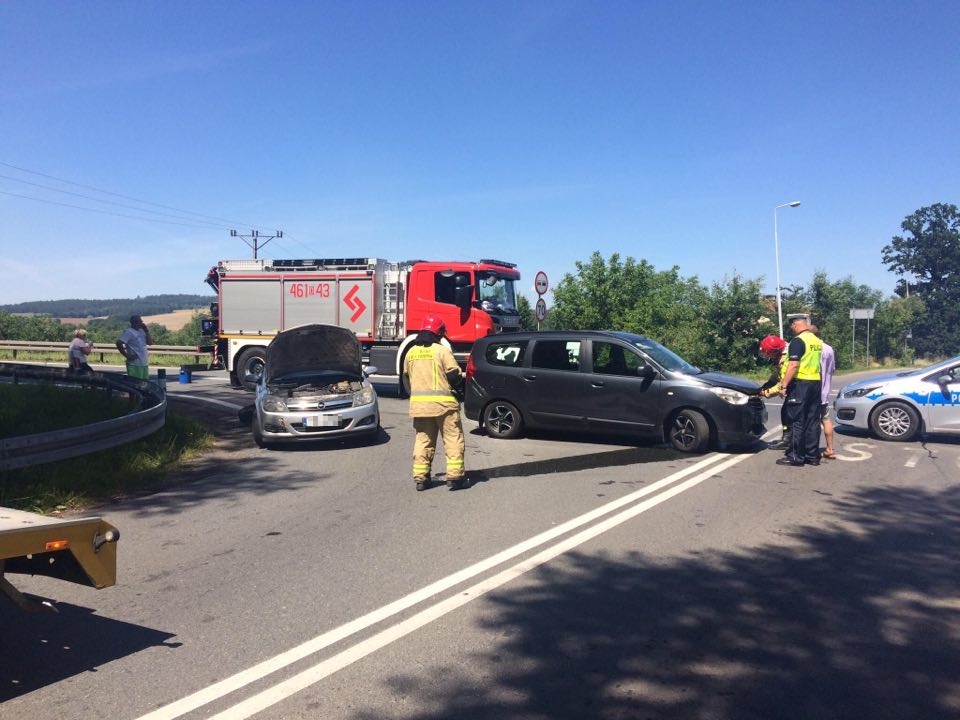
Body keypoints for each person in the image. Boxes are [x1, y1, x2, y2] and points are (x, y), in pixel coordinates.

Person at [403, 315, 466, 492]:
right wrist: (461, 392)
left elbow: (406, 379)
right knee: (453, 439)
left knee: (423, 441)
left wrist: (414, 397)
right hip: (444, 406)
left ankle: (421, 479)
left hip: (420, 407)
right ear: (439, 333)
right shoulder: (441, 351)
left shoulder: (411, 352)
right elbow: (454, 375)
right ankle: (455, 478)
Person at [777, 314, 823, 467]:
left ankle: (796, 456)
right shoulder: (816, 341)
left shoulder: (798, 341)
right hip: (815, 383)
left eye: (791, 326)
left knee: (797, 420)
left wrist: (784, 385)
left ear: (796, 325)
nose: (791, 329)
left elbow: (793, 365)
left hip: (801, 384)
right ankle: (812, 456)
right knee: (813, 420)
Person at [757, 334, 790, 449]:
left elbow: (784, 382)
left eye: (768, 353)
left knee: (789, 413)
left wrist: (767, 392)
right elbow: (777, 375)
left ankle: (789, 441)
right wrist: (768, 384)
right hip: (790, 389)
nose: (766, 355)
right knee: (785, 412)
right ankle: (786, 438)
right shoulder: (778, 358)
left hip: (796, 389)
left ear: (775, 351)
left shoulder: (787, 358)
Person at [811, 324, 837, 459]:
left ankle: (811, 449)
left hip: (812, 391)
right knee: (826, 419)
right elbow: (832, 369)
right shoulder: (829, 349)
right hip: (824, 393)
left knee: (811, 422)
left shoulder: (811, 348)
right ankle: (830, 449)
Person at [116, 315, 153, 380]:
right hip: (134, 364)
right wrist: (127, 355)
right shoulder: (129, 332)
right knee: (136, 385)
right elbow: (119, 343)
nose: (142, 322)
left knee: (144, 385)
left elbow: (150, 343)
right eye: (140, 321)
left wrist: (146, 331)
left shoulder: (141, 331)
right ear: (135, 322)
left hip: (143, 363)